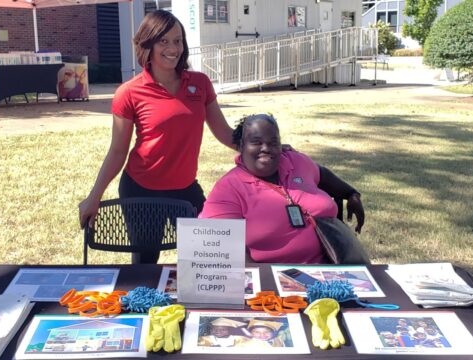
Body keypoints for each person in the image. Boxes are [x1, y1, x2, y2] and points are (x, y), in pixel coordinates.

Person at [78, 10, 235, 263]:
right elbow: (118, 151)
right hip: (141, 190)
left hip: (186, 190)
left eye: (178, 40)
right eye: (164, 41)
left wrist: (265, 148)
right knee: (145, 268)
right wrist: (93, 197)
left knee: (206, 260)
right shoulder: (129, 92)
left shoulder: (200, 84)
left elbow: (225, 133)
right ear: (148, 44)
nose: (173, 48)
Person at [199, 114, 365, 264]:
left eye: (273, 142)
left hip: (330, 268)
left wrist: (351, 194)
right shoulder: (228, 189)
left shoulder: (296, 161)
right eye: (256, 142)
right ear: (241, 146)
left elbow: (322, 174)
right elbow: (224, 250)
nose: (266, 148)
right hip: (273, 281)